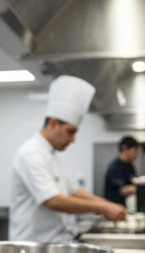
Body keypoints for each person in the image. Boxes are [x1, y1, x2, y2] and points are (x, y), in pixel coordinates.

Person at [8, 75, 126, 242]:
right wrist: (104, 206)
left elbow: (74, 190)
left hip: (53, 245)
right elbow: (53, 201)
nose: (73, 140)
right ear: (54, 123)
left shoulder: (50, 155)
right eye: (70, 132)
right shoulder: (31, 153)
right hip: (32, 248)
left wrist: (107, 206)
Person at [102, 135, 140, 208]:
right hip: (113, 207)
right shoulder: (116, 167)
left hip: (125, 208)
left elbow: (133, 181)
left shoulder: (129, 166)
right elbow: (123, 190)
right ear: (125, 149)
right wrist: (141, 189)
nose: (136, 155)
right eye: (135, 151)